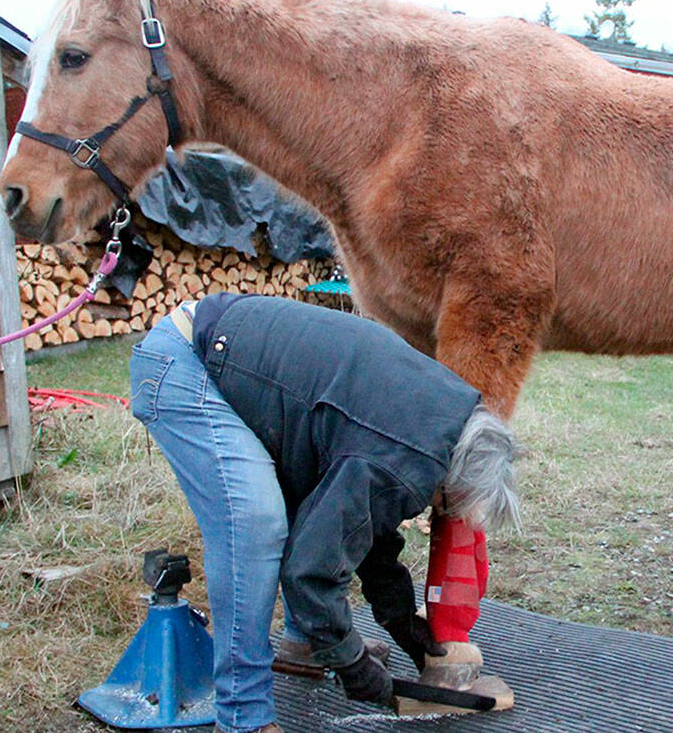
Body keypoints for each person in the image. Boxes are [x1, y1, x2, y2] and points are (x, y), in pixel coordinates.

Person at [129, 293, 520, 733]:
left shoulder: (443, 421)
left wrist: (401, 620)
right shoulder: (410, 452)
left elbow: (363, 522)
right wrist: (352, 663)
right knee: (256, 521)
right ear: (451, 479)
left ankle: (303, 644)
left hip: (234, 355)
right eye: (448, 507)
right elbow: (311, 571)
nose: (437, 514)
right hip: (184, 362)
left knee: (311, 495)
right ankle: (243, 715)